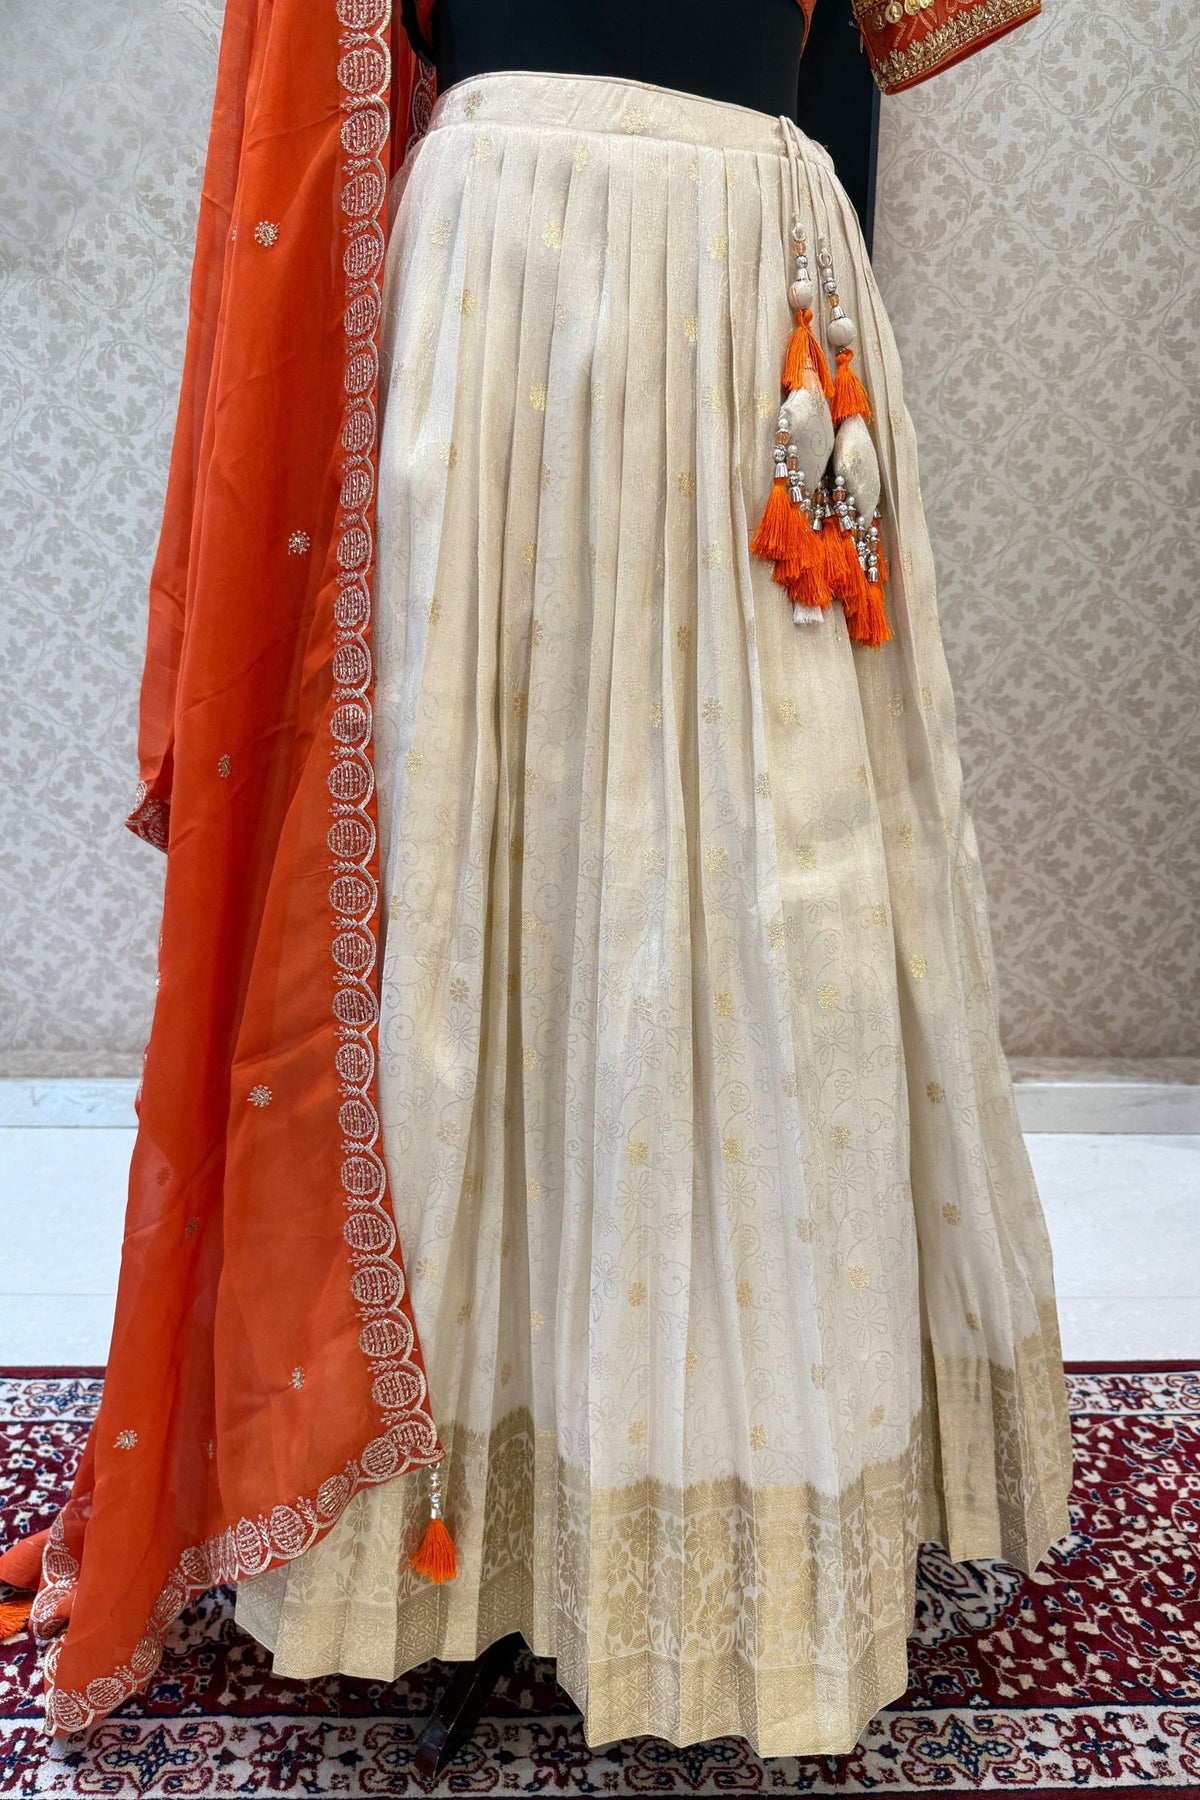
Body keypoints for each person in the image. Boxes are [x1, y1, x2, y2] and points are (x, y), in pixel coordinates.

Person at [0, 0, 1073, 1757]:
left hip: (752, 277)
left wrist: (829, 282)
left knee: (770, 897)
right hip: (502, 278)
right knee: (470, 887)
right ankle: (450, 1537)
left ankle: (735, 1517)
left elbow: (848, 57)